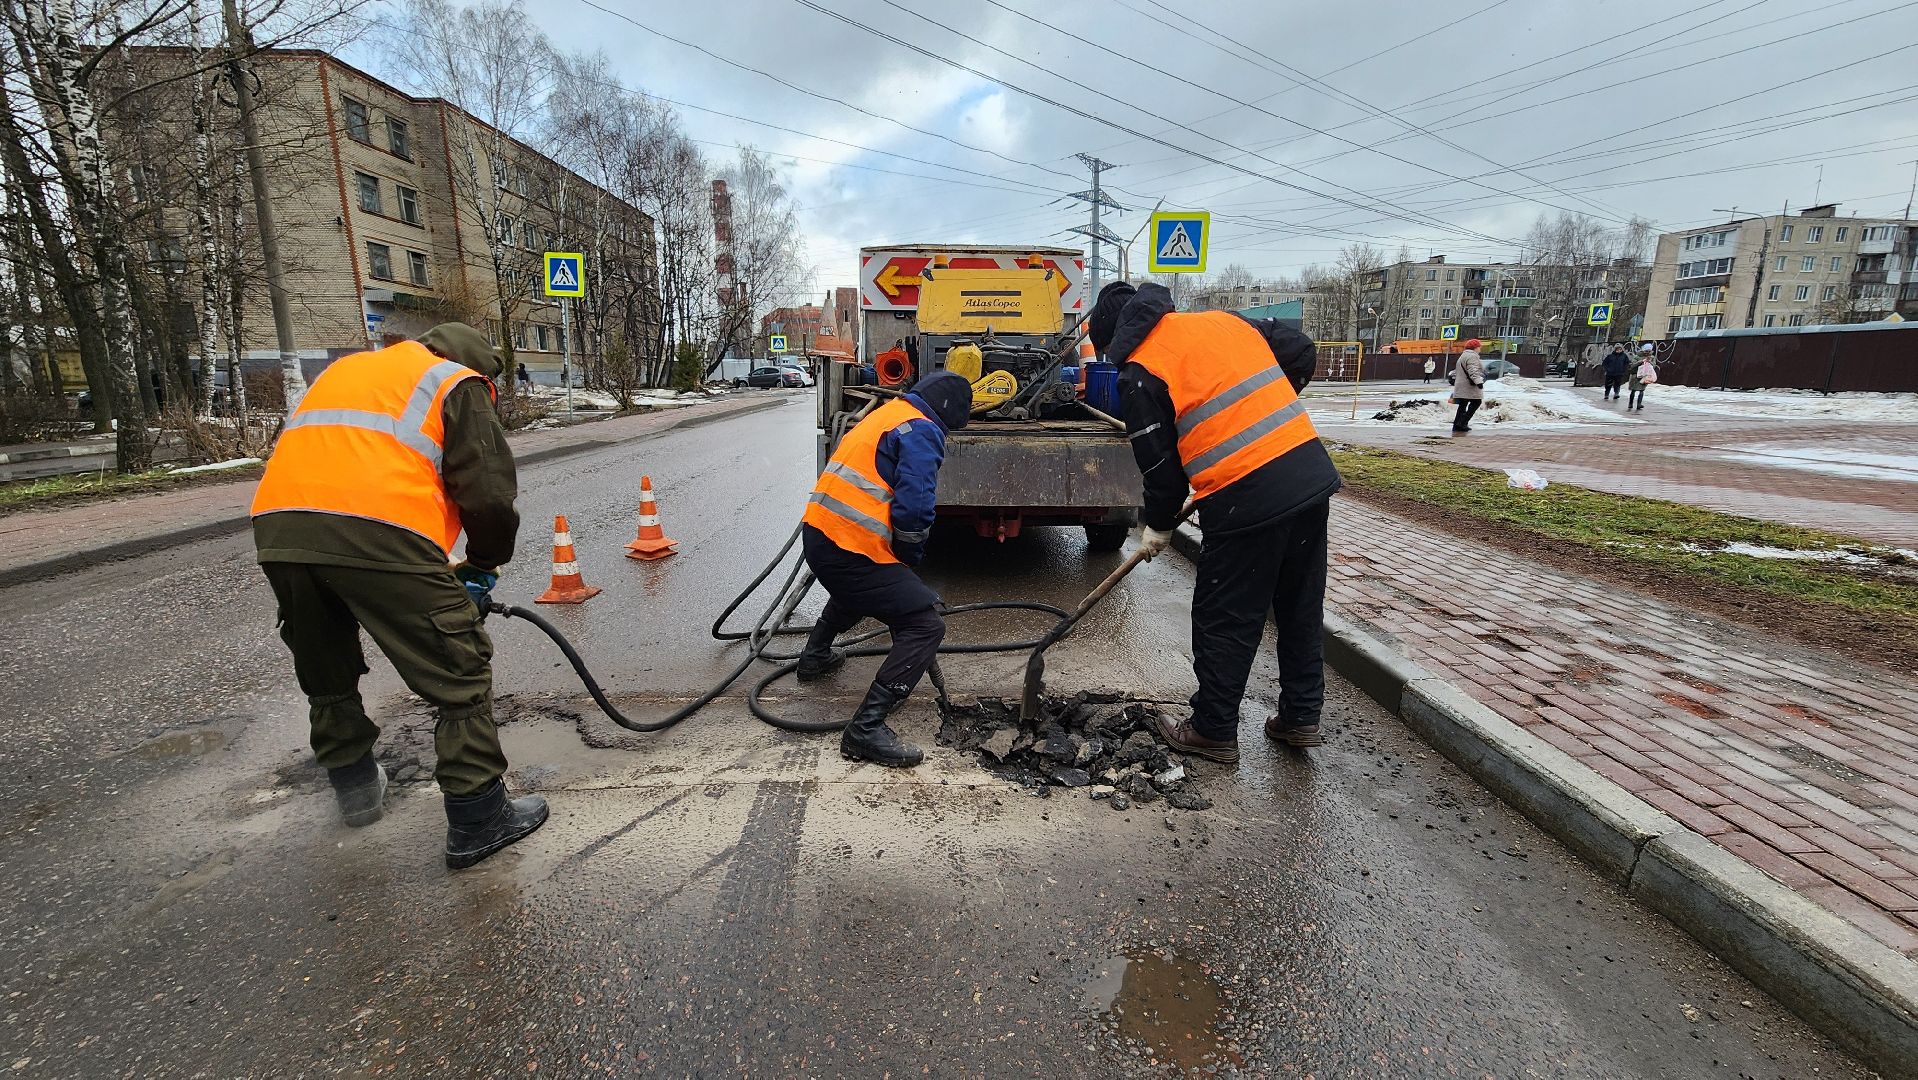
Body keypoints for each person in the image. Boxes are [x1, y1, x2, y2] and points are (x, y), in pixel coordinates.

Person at [250, 323, 547, 870]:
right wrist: (482, 567)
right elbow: (488, 495)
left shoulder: (348, 369)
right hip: (378, 527)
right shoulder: (457, 382)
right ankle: (479, 817)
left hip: (278, 526)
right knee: (457, 668)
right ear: (479, 368)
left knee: (324, 660)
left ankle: (357, 789)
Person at [1088, 281, 1343, 764]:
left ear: (1116, 335)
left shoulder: (1141, 372)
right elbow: (1300, 349)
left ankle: (1213, 728)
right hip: (1309, 476)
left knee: (1226, 614)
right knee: (1298, 605)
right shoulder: (1224, 321)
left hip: (1245, 498)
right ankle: (1300, 717)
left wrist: (1158, 526)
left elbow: (1161, 472)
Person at [796, 369, 972, 768]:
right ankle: (866, 729)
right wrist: (908, 564)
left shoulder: (889, 413)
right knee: (925, 625)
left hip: (824, 537)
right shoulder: (923, 430)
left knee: (864, 586)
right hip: (847, 549)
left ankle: (815, 655)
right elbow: (914, 510)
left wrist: (895, 576)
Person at [1451, 338, 1485, 432]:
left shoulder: (1463, 355)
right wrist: (1479, 382)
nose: (1480, 349)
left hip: (1462, 385)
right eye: (1479, 347)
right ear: (1475, 347)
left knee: (1463, 405)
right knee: (1476, 402)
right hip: (1469, 386)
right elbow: (1473, 371)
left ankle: (1457, 425)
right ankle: (1462, 423)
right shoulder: (1472, 356)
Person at [1628, 344, 1657, 411]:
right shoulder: (1637, 356)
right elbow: (1632, 365)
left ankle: (1639, 404)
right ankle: (1630, 404)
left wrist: (1649, 361)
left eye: (1649, 351)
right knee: (1633, 390)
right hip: (1635, 375)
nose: (1647, 352)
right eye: (1646, 350)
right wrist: (1641, 361)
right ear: (1643, 350)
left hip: (1645, 376)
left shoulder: (1651, 357)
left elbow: (1654, 365)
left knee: (1641, 390)